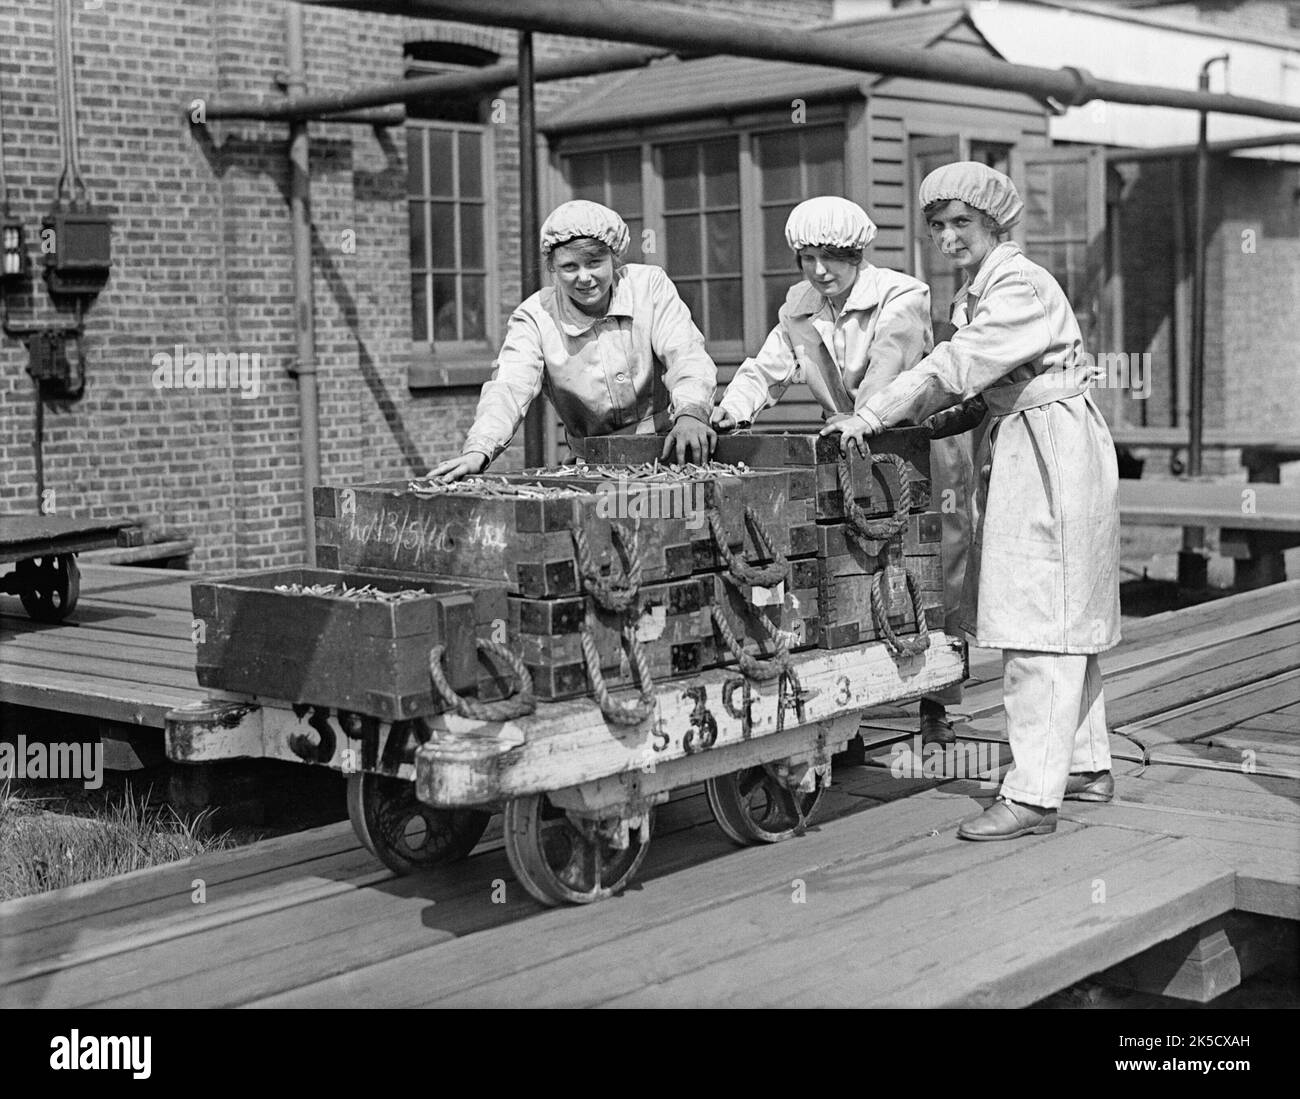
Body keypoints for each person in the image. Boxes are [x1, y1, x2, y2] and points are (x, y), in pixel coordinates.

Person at [827, 162, 1120, 841]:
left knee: (1037, 619)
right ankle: (1083, 764)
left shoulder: (1017, 284)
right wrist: (936, 423)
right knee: (1064, 607)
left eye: (962, 222)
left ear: (994, 223)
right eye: (937, 225)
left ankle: (1032, 797)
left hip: (1051, 450)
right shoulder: (985, 288)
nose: (948, 235)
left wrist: (870, 416)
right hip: (1036, 440)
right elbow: (986, 388)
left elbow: (957, 368)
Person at [710, 195, 970, 744]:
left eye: (834, 257)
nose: (821, 270)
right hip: (845, 445)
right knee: (847, 568)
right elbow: (769, 367)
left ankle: (936, 701)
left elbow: (890, 364)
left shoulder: (902, 294)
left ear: (858, 252)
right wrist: (729, 410)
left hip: (912, 443)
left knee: (932, 566)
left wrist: (863, 416)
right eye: (808, 257)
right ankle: (847, 709)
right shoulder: (800, 305)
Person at [429, 200, 717, 481]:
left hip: (671, 453)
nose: (584, 278)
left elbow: (686, 353)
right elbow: (509, 387)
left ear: (614, 258)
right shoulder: (535, 317)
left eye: (595, 263)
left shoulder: (649, 288)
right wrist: (479, 449)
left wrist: (691, 413)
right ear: (552, 268)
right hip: (592, 469)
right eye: (569, 267)